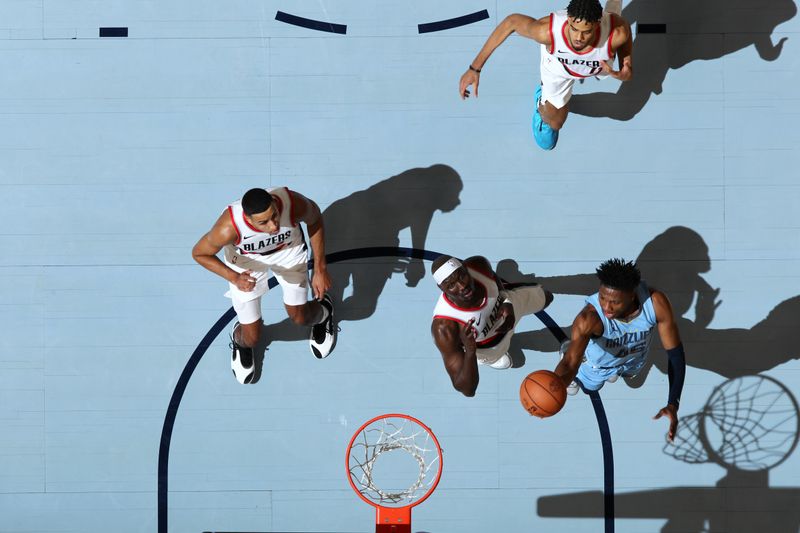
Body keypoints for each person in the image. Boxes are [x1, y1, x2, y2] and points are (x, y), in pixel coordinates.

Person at [192, 187, 337, 384]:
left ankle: (324, 312)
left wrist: (320, 268)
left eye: (275, 216)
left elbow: (315, 218)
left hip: (288, 254)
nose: (273, 226)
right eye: (264, 222)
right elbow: (199, 253)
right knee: (251, 338)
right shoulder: (227, 228)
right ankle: (239, 339)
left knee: (301, 317)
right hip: (246, 266)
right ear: (248, 219)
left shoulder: (292, 203)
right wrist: (234, 277)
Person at [458, 0, 633, 150]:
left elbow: (627, 71)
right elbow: (511, 22)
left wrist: (621, 74)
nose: (579, 37)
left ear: (597, 24)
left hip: (599, 63)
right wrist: (475, 68)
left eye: (586, 32)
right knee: (555, 123)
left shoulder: (617, 32)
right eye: (574, 28)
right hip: (558, 68)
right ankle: (541, 99)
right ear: (569, 18)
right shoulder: (548, 31)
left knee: (614, 15)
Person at [554, 258, 686, 441]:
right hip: (596, 365)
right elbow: (569, 363)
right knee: (588, 387)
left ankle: (611, 367)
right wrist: (555, 387)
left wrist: (673, 403)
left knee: (634, 382)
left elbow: (675, 354)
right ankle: (570, 350)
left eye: (614, 302)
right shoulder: (589, 319)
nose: (606, 307)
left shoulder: (655, 303)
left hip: (633, 361)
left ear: (632, 295)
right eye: (602, 297)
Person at [430, 255, 553, 396]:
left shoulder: (478, 265)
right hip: (491, 349)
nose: (462, 286)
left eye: (462, 276)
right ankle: (490, 360)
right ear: (441, 289)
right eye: (451, 285)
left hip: (511, 309)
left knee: (547, 297)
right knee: (504, 360)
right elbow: (467, 390)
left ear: (466, 268)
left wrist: (505, 301)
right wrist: (470, 350)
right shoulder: (445, 327)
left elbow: (495, 283)